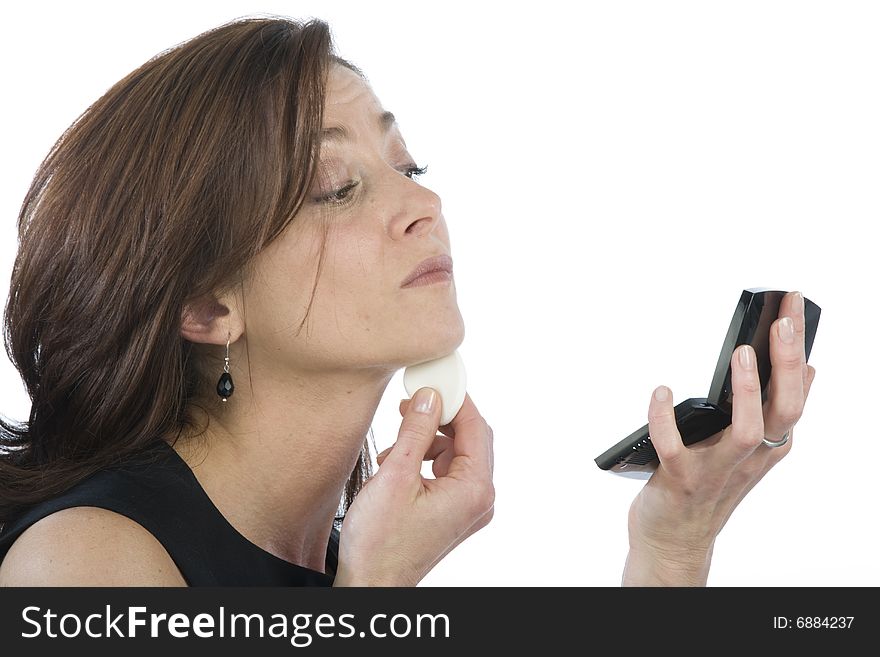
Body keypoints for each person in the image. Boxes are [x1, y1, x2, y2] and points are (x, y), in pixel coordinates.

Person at [0, 16, 815, 587]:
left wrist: (673, 546)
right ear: (207, 307)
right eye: (337, 187)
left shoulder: (332, 557)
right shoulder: (81, 563)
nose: (424, 207)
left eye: (409, 167)